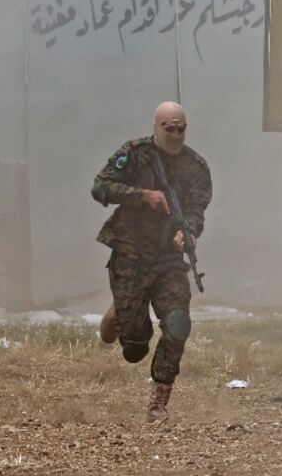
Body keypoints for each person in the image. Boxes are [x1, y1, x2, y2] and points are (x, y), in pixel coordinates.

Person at [91, 101, 211, 422]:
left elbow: (197, 210)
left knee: (178, 323)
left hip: (168, 260)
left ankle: (158, 402)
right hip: (130, 254)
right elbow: (100, 186)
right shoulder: (134, 153)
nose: (175, 134)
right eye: (168, 128)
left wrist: (189, 233)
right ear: (156, 127)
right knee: (134, 349)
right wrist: (142, 195)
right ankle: (122, 311)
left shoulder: (195, 168)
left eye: (180, 128)